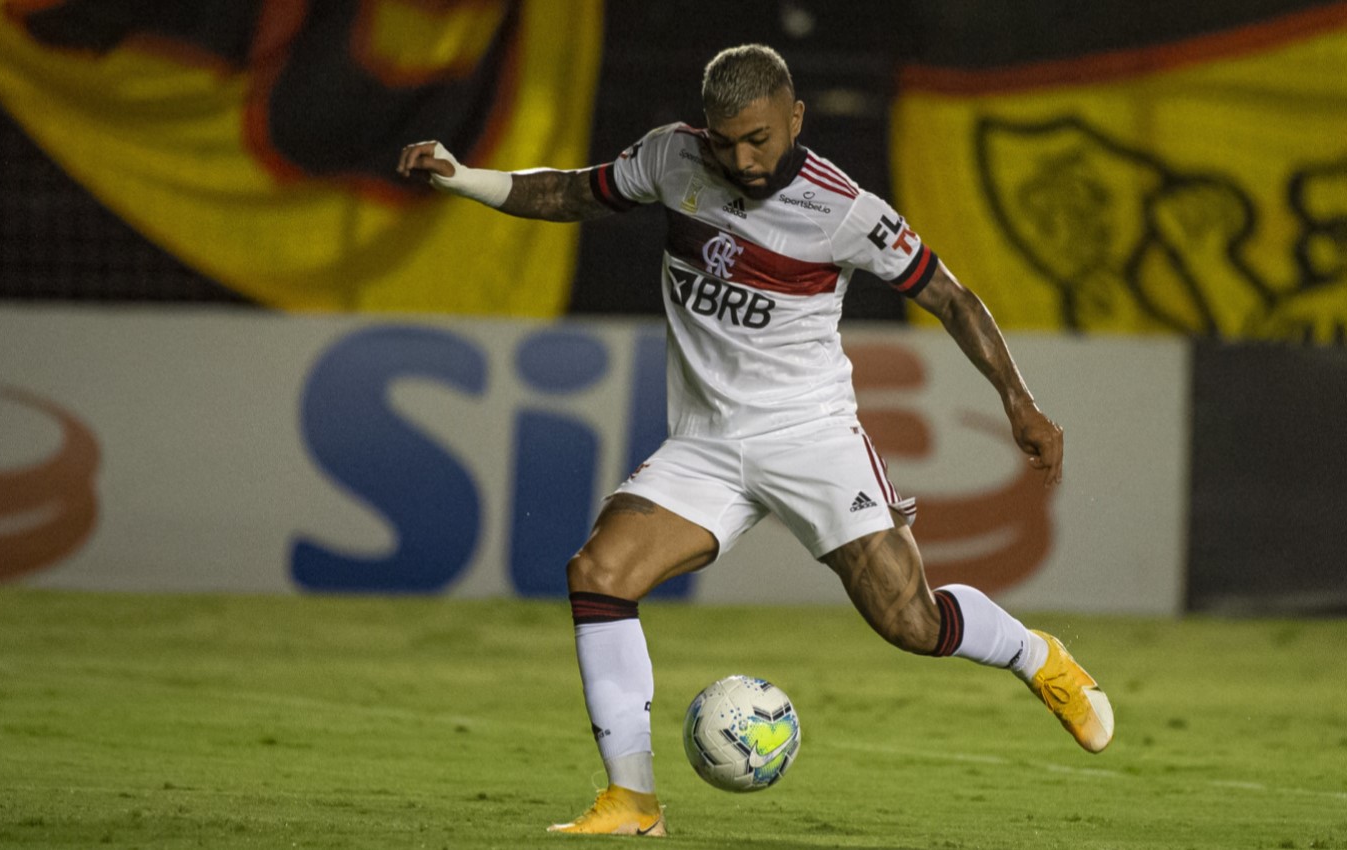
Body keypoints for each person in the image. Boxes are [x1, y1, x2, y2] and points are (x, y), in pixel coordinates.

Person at [398, 43, 1113, 838]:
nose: (741, 159)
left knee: (911, 624)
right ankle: (632, 801)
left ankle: (1035, 656)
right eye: (726, 140)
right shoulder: (674, 157)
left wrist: (1019, 401)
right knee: (597, 574)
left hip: (812, 438)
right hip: (705, 444)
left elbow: (950, 296)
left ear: (795, 117)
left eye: (760, 139)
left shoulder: (843, 211)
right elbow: (573, 192)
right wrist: (465, 178)